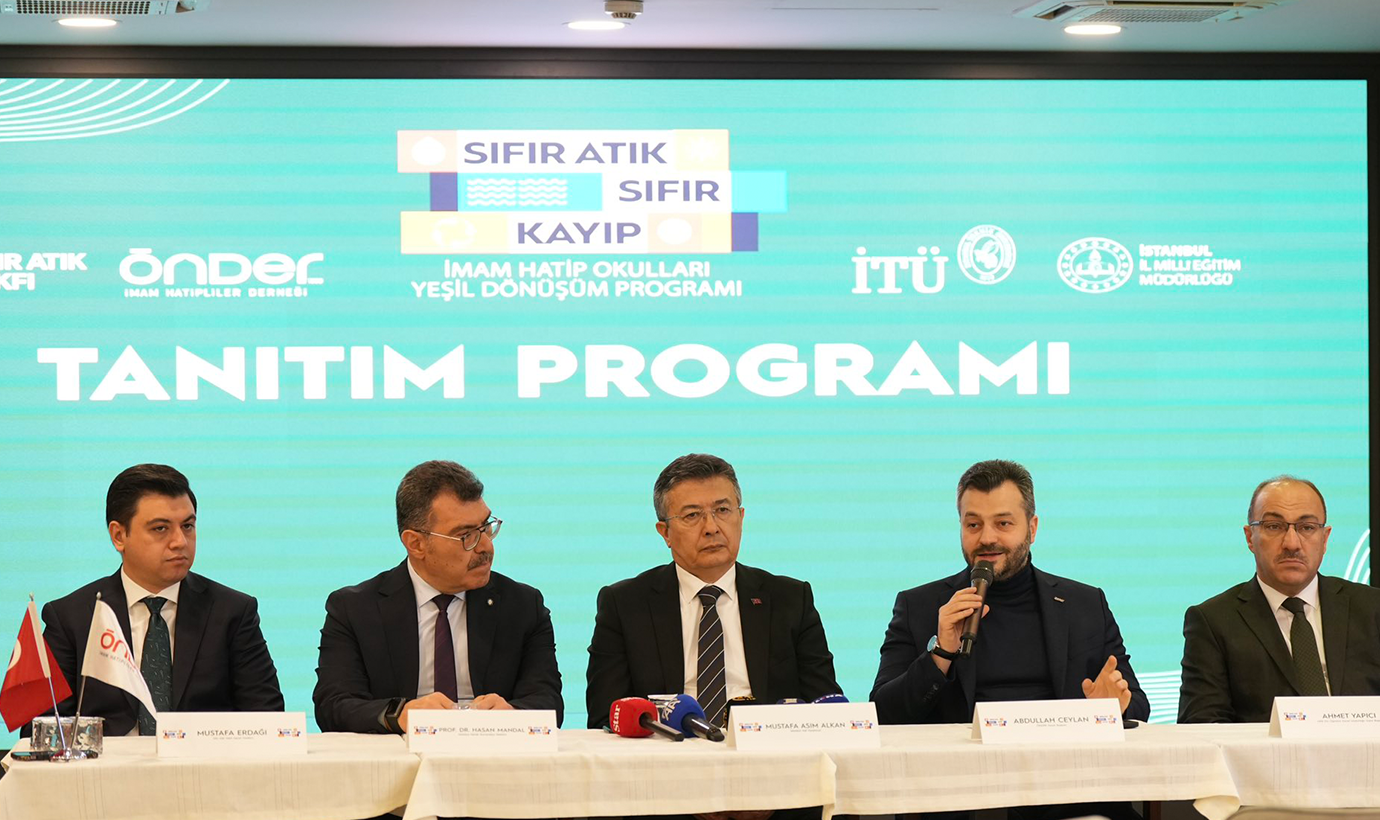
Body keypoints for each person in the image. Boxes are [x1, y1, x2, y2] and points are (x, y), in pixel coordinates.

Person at [871, 459, 1149, 726]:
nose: (987, 538)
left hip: (1059, 755)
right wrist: (941, 654)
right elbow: (882, 715)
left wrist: (1110, 707)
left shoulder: (1085, 604)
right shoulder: (919, 606)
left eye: (1003, 523)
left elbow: (1138, 705)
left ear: (1032, 529)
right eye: (973, 525)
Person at [586, 453, 841, 729]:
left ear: (741, 517)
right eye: (692, 515)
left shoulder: (790, 599)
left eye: (723, 510)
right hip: (669, 750)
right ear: (665, 532)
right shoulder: (625, 605)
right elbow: (605, 718)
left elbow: (827, 708)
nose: (711, 528)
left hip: (764, 749)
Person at [313, 460, 562, 734]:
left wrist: (514, 715)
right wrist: (400, 715)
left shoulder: (522, 606)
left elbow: (548, 702)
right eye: (466, 535)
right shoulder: (355, 609)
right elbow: (334, 706)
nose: (486, 547)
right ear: (416, 544)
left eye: (486, 527)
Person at [41, 464, 284, 736]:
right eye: (160, 528)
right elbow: (43, 729)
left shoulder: (232, 612)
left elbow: (268, 719)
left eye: (188, 526)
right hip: (107, 762)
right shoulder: (72, 617)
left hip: (202, 761)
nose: (180, 541)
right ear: (119, 536)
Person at [1178, 475, 1380, 723]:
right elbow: (1201, 724)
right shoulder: (1213, 622)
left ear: (1325, 538)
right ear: (1250, 537)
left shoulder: (1372, 609)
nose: (1292, 544)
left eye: (1307, 527)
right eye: (1274, 526)